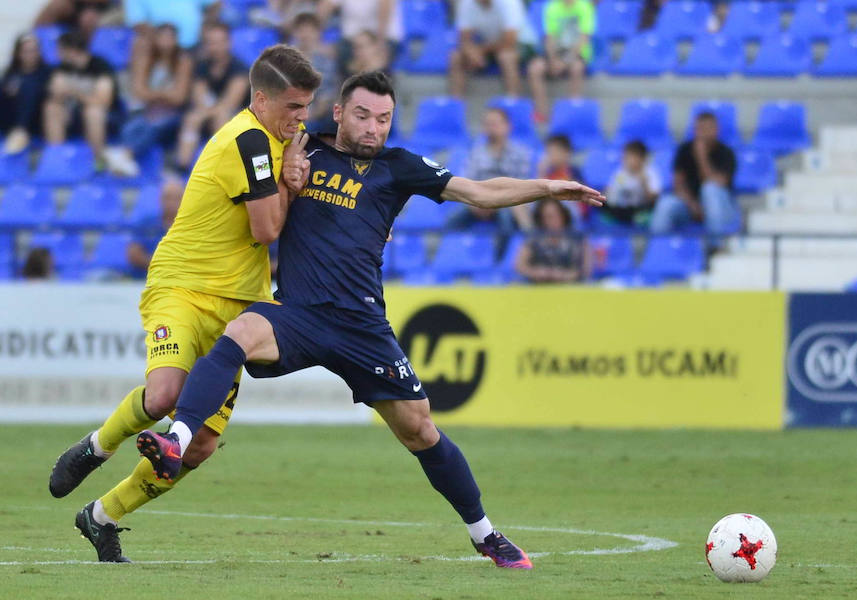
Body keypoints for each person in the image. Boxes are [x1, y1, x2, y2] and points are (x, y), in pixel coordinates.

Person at [134, 70, 604, 569]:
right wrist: (287, 172)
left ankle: (485, 534)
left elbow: (478, 193)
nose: (372, 129)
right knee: (239, 333)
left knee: (420, 431)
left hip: (362, 327)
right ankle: (176, 439)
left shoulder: (399, 167)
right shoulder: (300, 146)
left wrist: (546, 189)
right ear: (338, 113)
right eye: (362, 116)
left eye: (383, 119)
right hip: (299, 312)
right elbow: (252, 180)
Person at [48, 44, 320, 563]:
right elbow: (267, 230)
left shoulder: (274, 140)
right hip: (184, 286)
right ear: (260, 99)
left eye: (306, 106)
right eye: (292, 107)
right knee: (164, 395)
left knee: (197, 447)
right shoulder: (250, 143)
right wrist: (291, 182)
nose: (301, 117)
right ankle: (96, 447)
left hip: (240, 308)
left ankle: (101, 517)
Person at [106, 23, 194, 177]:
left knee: (153, 126)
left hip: (172, 115)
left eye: (170, 37)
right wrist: (165, 94)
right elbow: (139, 92)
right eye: (162, 37)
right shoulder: (145, 60)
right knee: (132, 127)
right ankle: (125, 158)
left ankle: (125, 156)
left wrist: (153, 94)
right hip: (146, 111)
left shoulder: (183, 62)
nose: (166, 41)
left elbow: (179, 97)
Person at [174, 22, 249, 173]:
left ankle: (221, 168)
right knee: (192, 118)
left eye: (218, 42)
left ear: (228, 43)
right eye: (210, 43)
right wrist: (203, 113)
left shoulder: (240, 68)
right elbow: (199, 95)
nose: (214, 47)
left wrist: (206, 113)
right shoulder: (202, 66)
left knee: (221, 118)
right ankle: (182, 167)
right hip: (210, 112)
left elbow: (230, 102)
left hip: (239, 116)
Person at [42, 31, 123, 171]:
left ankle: (98, 161)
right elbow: (55, 93)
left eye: (60, 50)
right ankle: (58, 160)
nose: (57, 54)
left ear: (71, 50)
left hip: (107, 117)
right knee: (52, 107)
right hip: (74, 115)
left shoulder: (100, 66)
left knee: (93, 112)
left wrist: (72, 91)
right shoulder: (62, 68)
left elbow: (104, 101)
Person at [447, 107, 534, 235]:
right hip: (478, 201)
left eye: (494, 124)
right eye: (487, 124)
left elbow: (522, 185)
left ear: (507, 126)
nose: (490, 128)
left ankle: (502, 254)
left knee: (506, 222)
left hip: (507, 203)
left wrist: (496, 201)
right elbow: (466, 182)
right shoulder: (476, 153)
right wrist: (478, 202)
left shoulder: (520, 154)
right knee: (451, 222)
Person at [650, 112, 737, 235]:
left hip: (722, 209)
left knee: (709, 190)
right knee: (665, 203)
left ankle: (716, 247)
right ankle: (656, 248)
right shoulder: (684, 150)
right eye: (700, 129)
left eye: (708, 129)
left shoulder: (726, 153)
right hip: (690, 206)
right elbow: (677, 184)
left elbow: (718, 183)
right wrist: (692, 205)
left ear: (716, 130)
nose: (704, 133)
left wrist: (702, 157)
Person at [449, 0, 536, 98]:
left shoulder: (510, 2)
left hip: (522, 43)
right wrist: (470, 52)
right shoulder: (467, 3)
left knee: (506, 57)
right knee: (456, 57)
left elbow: (510, 41)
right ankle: (455, 104)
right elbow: (464, 39)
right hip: (491, 45)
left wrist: (479, 51)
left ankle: (512, 103)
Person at [527, 0, 595, 122]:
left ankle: (571, 113)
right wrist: (553, 60)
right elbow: (550, 37)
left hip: (577, 53)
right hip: (557, 52)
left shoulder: (585, 6)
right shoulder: (552, 7)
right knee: (535, 67)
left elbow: (584, 38)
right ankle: (542, 113)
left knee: (576, 68)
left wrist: (565, 61)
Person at [317, 0, 403, 77]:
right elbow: (326, 5)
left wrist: (380, 43)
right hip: (349, 40)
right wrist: (317, 38)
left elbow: (385, 6)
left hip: (381, 38)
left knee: (375, 61)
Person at [515, 198, 590, 283]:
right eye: (547, 217)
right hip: (538, 287)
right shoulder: (533, 239)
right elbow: (520, 266)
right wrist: (536, 272)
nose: (552, 220)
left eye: (556, 215)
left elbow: (586, 268)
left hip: (571, 288)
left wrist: (569, 274)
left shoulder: (578, 238)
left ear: (564, 215)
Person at [286, 12, 339, 134]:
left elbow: (326, 98)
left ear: (318, 33)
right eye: (301, 30)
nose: (305, 35)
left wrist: (307, 116)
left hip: (315, 117)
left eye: (310, 31)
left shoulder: (326, 62)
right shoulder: (285, 61)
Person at [1, 33, 50, 155]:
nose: (31, 55)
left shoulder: (47, 73)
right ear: (18, 53)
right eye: (26, 51)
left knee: (29, 87)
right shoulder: (10, 73)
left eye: (34, 51)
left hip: (36, 120)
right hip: (10, 117)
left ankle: (20, 130)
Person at [126, 178, 183, 279]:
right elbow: (133, 254)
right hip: (143, 280)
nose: (171, 203)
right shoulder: (146, 223)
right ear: (160, 199)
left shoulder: (189, 226)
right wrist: (165, 266)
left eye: (177, 198)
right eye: (167, 198)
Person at [604, 140, 660, 226]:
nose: (626, 160)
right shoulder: (621, 172)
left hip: (640, 208)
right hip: (621, 207)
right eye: (625, 157)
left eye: (630, 157)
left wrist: (644, 183)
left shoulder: (650, 173)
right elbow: (610, 191)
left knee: (651, 208)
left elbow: (653, 199)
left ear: (642, 158)